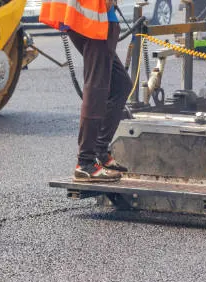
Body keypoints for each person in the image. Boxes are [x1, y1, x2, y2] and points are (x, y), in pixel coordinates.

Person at [40, 0, 133, 182]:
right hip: (96, 19)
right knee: (97, 87)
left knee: (121, 85)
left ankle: (99, 151)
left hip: (92, 17)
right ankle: (85, 163)